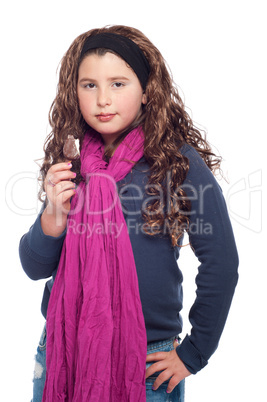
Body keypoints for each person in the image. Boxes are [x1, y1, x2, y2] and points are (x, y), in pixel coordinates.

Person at [19, 25, 239, 402]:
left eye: (118, 84)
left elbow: (221, 261)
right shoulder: (72, 164)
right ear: (74, 92)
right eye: (89, 85)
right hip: (65, 350)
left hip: (148, 363)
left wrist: (193, 353)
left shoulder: (177, 162)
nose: (103, 99)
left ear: (146, 90)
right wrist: (54, 214)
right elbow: (34, 266)